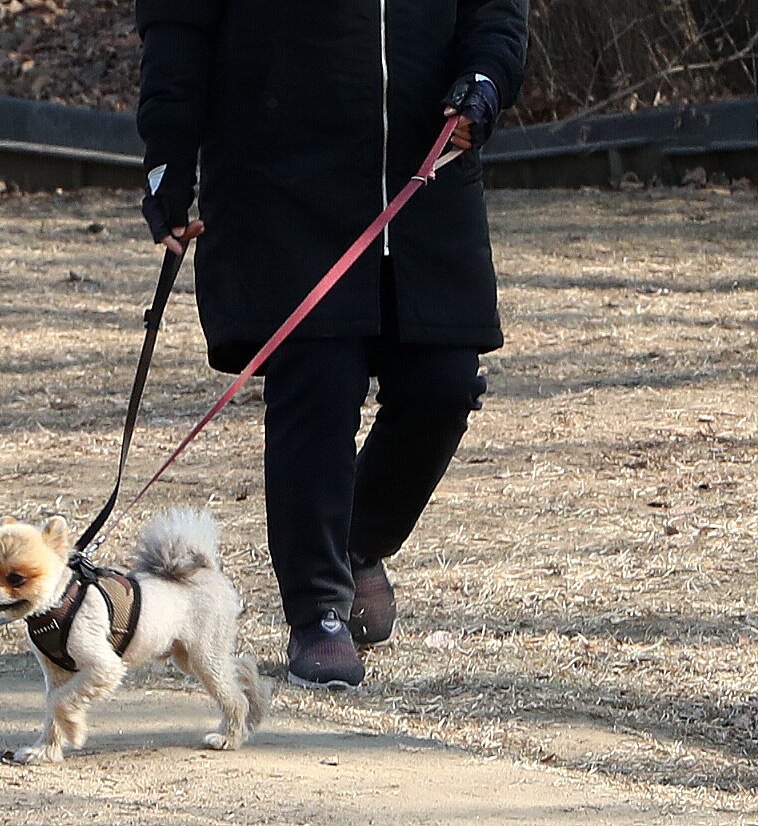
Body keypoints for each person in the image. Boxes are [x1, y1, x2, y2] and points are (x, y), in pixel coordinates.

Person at [135, 2, 530, 690]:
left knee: (442, 385)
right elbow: (178, 26)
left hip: (425, 175)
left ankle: (358, 544)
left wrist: (485, 82)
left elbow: (495, 14)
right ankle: (316, 609)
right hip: (279, 183)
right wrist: (167, 158)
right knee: (317, 385)